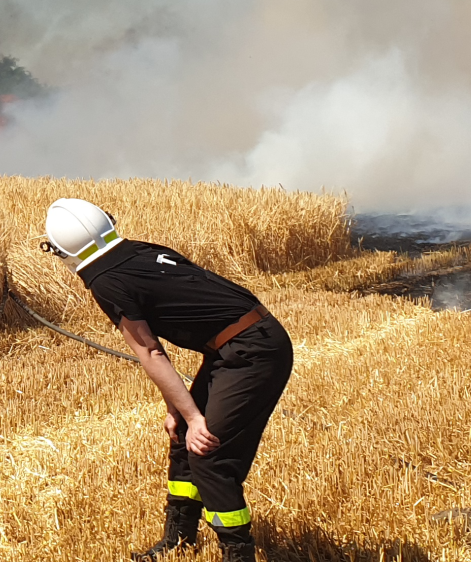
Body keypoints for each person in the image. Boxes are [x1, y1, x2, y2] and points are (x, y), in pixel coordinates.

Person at [41, 198, 291, 562]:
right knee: (182, 440)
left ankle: (238, 553)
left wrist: (193, 417)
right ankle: (179, 539)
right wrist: (178, 410)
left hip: (254, 351)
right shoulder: (140, 251)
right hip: (237, 345)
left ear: (62, 251)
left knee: (208, 450)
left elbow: (151, 353)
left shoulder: (105, 281)